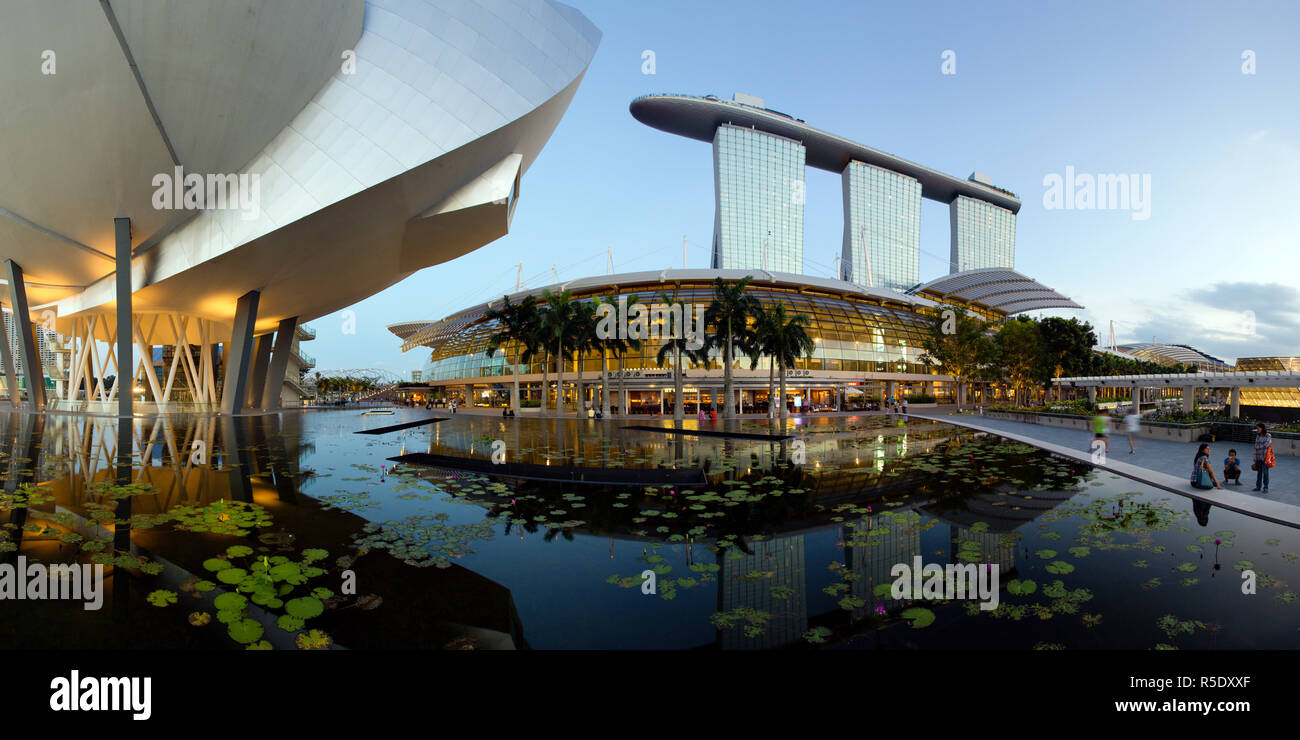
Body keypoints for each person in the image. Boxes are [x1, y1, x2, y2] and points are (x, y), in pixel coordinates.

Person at [1252, 423, 1273, 493]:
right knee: (1259, 473)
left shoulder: (1268, 435)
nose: (1257, 430)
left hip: (1265, 457)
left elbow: (1266, 445)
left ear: (1262, 428)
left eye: (1258, 428)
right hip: (1258, 457)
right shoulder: (1258, 436)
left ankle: (1265, 488)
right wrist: (1254, 457)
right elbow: (1255, 447)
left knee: (1265, 473)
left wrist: (1258, 447)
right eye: (1257, 428)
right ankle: (1258, 487)